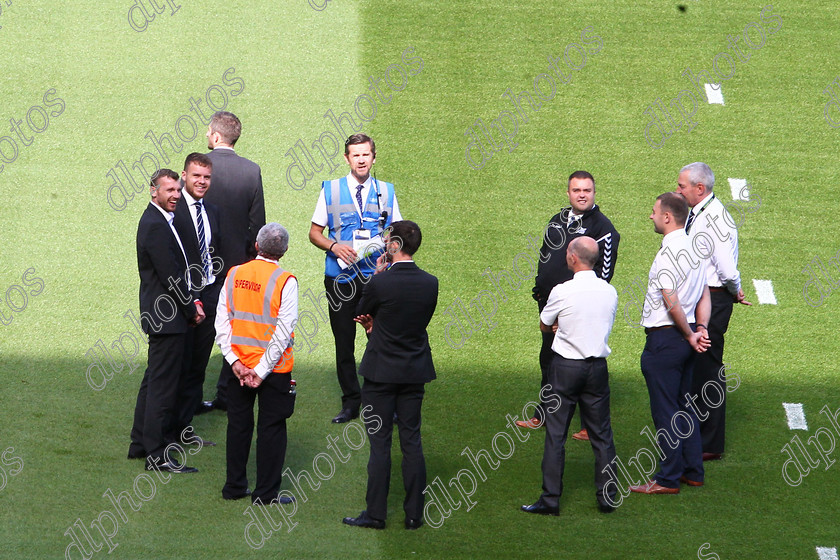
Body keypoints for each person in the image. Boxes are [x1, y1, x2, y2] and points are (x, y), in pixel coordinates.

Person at [342, 220, 437, 530]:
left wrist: (372, 322)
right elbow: (412, 324)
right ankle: (413, 515)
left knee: (380, 445)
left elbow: (363, 311)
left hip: (381, 372)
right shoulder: (430, 283)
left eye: (387, 240)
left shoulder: (380, 283)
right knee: (412, 441)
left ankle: (376, 514)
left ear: (395, 246)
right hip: (414, 371)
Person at [520, 237, 619, 516]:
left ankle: (551, 499)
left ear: (573, 258)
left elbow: (544, 324)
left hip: (565, 369)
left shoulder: (562, 290)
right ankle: (607, 497)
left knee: (555, 435)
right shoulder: (609, 291)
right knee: (602, 435)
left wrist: (559, 327)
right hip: (597, 368)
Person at [308, 133, 401, 424]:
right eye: (355, 155)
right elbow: (314, 233)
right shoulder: (331, 190)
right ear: (347, 158)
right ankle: (351, 402)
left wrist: (389, 253)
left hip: (376, 278)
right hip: (340, 278)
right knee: (344, 342)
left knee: (383, 338)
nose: (361, 160)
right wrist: (334, 246)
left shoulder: (386, 190)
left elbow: (396, 232)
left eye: (366, 154)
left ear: (374, 157)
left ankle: (386, 401)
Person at [521, 170, 620, 441]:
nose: (582, 195)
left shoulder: (604, 229)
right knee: (548, 360)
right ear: (568, 193)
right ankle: (543, 414)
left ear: (594, 193)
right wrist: (541, 292)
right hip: (550, 306)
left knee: (585, 363)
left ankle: (592, 425)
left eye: (587, 190)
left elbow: (604, 275)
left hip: (578, 313)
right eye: (576, 190)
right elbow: (546, 256)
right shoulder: (557, 220)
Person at [630, 192, 710, 495]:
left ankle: (667, 478)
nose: (650, 216)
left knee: (666, 412)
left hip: (665, 339)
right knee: (684, 406)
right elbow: (704, 295)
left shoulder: (667, 253)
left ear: (667, 217)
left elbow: (669, 297)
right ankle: (693, 472)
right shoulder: (696, 249)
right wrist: (699, 329)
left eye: (653, 212)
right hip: (685, 339)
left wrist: (690, 333)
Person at [215, 223, 298, 505]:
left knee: (238, 425)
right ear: (284, 251)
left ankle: (234, 486)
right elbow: (283, 331)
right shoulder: (285, 280)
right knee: (271, 428)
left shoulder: (235, 273)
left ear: (256, 246)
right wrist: (261, 371)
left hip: (237, 367)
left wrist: (235, 362)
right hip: (273, 371)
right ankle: (265, 494)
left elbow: (222, 321)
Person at [128, 169, 204, 474]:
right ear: (153, 191)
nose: (175, 195)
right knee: (163, 386)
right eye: (169, 190)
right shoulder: (156, 225)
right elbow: (171, 276)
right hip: (167, 319)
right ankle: (156, 455)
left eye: (177, 190)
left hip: (163, 316)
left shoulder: (159, 220)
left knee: (152, 381)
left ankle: (139, 443)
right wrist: (190, 309)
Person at [676, 162, 751, 461]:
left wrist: (736, 290)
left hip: (714, 299)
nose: (678, 190)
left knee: (707, 366)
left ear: (699, 188)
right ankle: (699, 433)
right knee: (699, 364)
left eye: (682, 186)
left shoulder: (716, 220)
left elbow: (727, 270)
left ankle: (709, 443)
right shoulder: (703, 211)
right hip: (706, 296)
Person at [200, 111, 267, 413]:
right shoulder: (251, 171)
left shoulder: (198, 167)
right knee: (235, 329)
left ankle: (189, 398)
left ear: (214, 136)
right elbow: (258, 224)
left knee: (198, 331)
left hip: (200, 267)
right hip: (238, 267)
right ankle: (227, 395)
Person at [170, 153, 221, 446]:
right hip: (184, 300)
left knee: (198, 365)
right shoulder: (173, 211)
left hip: (210, 296)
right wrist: (192, 298)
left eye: (207, 177)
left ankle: (184, 429)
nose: (202, 182)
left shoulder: (212, 210)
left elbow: (214, 252)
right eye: (196, 176)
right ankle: (168, 428)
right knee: (179, 364)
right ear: (184, 176)